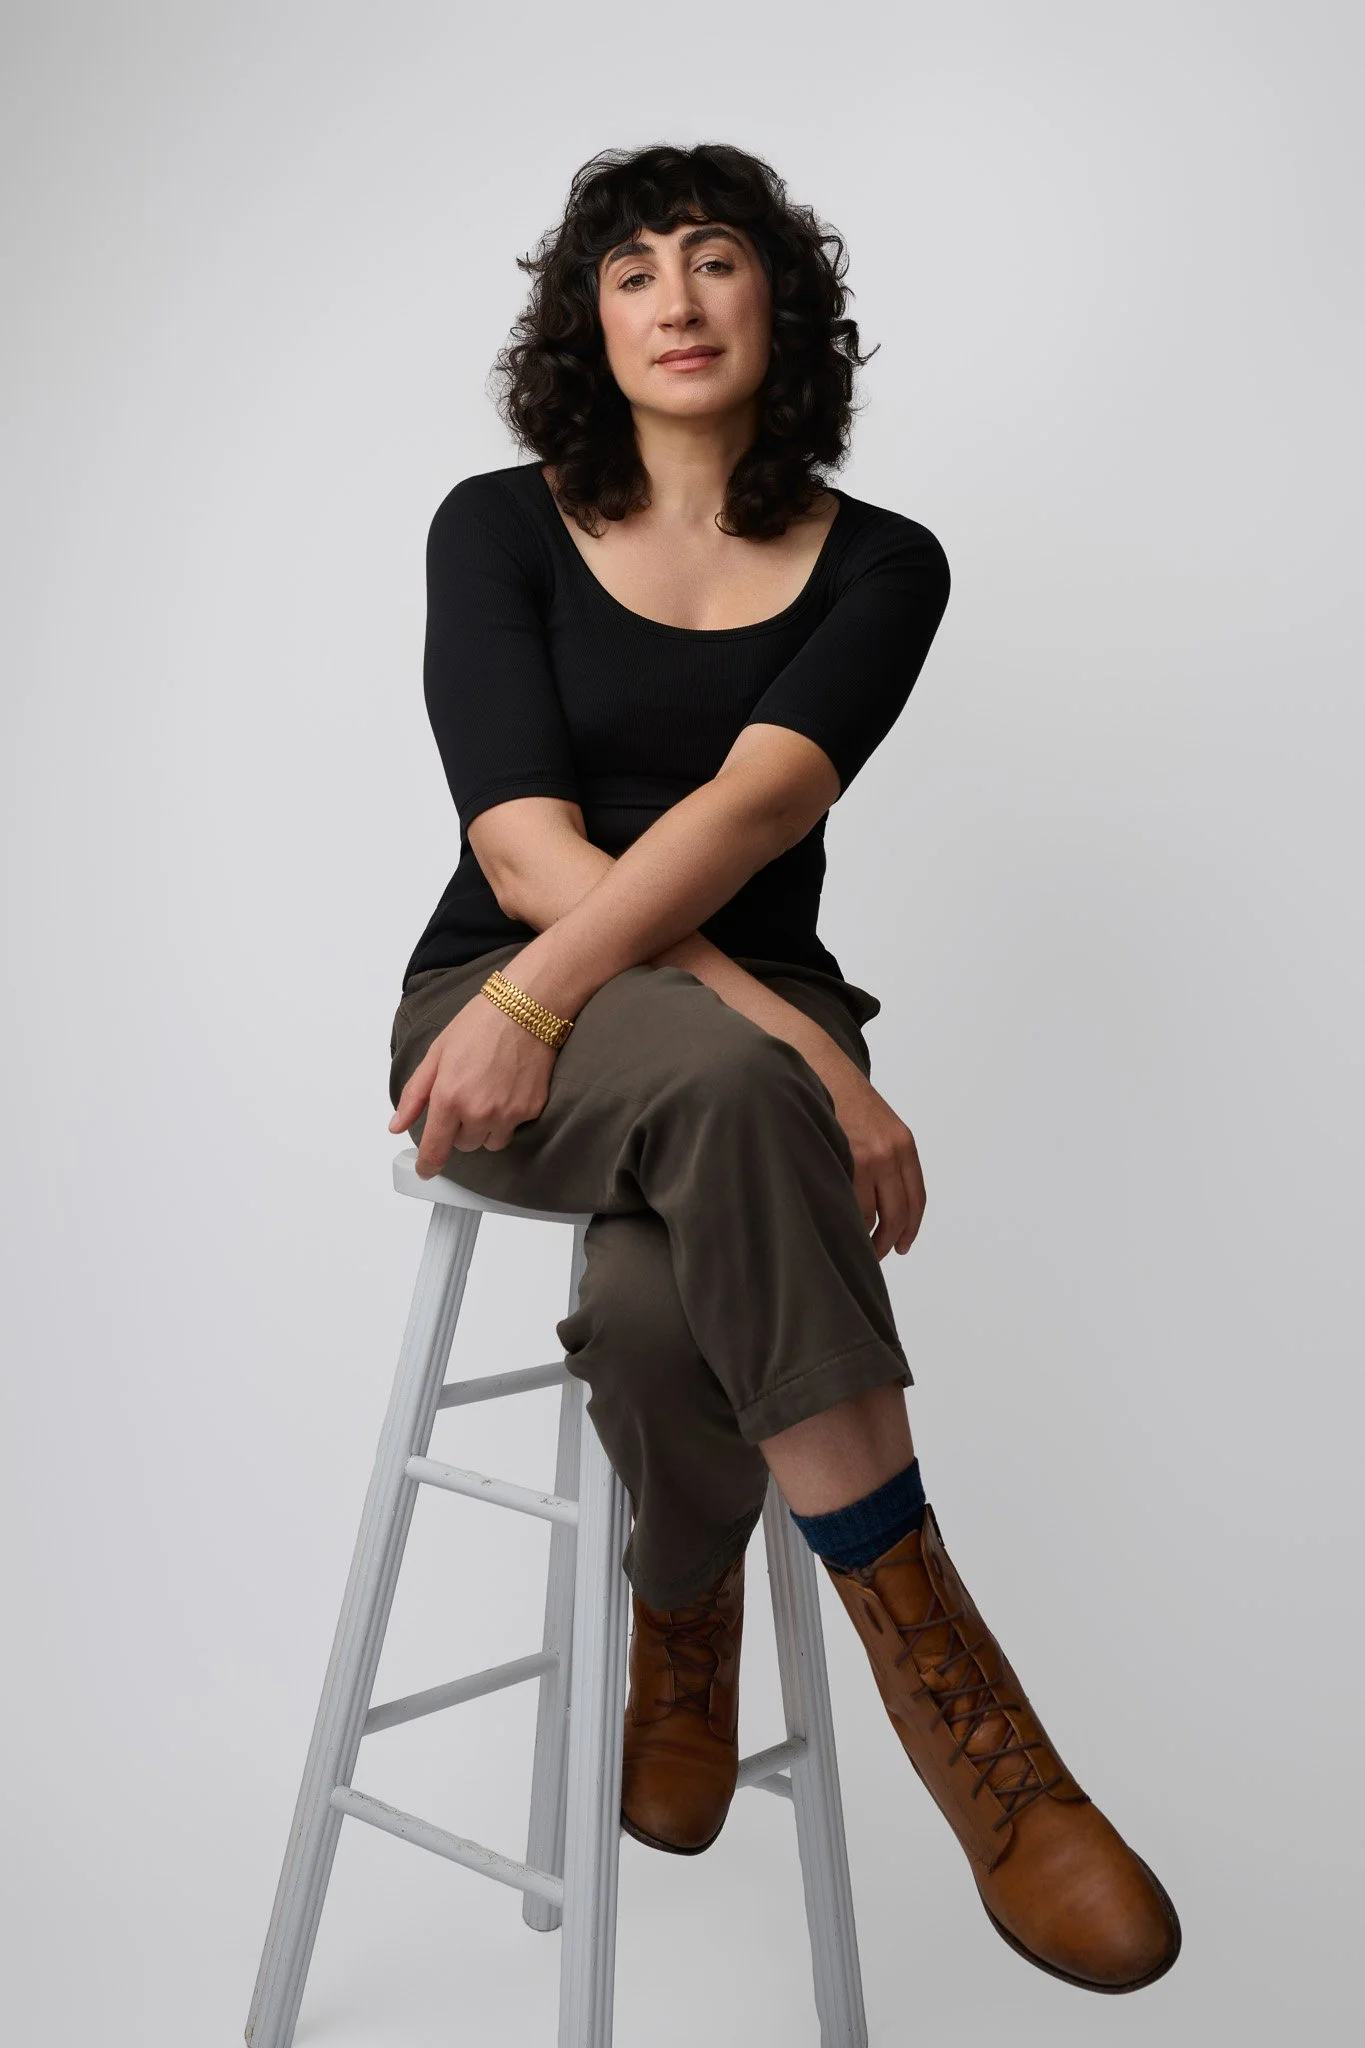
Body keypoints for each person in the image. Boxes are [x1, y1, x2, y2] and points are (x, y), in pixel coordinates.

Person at [386, 141, 1180, 1996]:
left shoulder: (882, 565)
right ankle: (961, 1706)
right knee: (744, 1094)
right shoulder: (493, 527)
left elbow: (755, 810)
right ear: (588, 319)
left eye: (715, 259)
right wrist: (803, 1055)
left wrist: (784, 1036)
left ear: (779, 305)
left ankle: (684, 1623)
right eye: (634, 268)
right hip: (496, 1002)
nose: (674, 297)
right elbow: (522, 853)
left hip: (702, 1026)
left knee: (671, 1310)